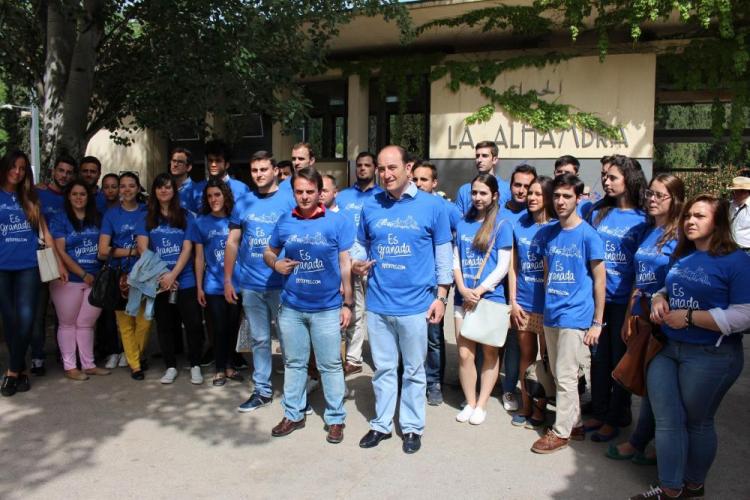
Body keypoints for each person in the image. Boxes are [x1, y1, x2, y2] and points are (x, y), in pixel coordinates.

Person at [632, 195, 750, 500]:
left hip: (711, 355)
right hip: (668, 348)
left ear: (718, 222)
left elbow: (744, 314)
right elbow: (667, 287)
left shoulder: (737, 261)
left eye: (699, 216)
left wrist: (689, 317)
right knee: (668, 421)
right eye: (687, 216)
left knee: (697, 422)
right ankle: (671, 489)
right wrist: (659, 299)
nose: (690, 222)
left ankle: (693, 485)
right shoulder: (683, 254)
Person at [352, 145, 452, 454]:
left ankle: (411, 427)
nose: (386, 174)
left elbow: (443, 253)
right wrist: (358, 262)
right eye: (381, 169)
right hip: (380, 303)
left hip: (416, 305)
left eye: (392, 167)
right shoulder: (371, 205)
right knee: (382, 369)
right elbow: (360, 243)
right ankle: (381, 424)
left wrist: (442, 297)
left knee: (413, 369)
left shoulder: (433, 207)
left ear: (408, 168)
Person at [264, 167, 354, 443]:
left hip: (327, 307)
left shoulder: (337, 222)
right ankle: (293, 413)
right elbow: (269, 251)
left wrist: (347, 303)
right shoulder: (284, 221)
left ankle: (336, 418)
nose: (304, 197)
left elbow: (344, 263)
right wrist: (275, 264)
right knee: (294, 363)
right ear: (293, 193)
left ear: (320, 192)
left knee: (329, 365)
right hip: (292, 307)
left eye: (310, 191)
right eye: (299, 192)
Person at [607, 174, 684, 465]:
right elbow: (638, 278)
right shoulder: (649, 229)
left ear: (675, 199)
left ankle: (640, 441)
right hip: (640, 315)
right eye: (649, 194)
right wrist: (629, 313)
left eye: (659, 195)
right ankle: (645, 440)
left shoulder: (680, 236)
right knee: (646, 381)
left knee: (656, 385)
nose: (651, 200)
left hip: (664, 320)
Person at [531, 173, 605, 454]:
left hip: (576, 315)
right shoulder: (549, 233)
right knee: (561, 373)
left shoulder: (588, 234)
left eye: (567, 196)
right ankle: (574, 425)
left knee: (565, 374)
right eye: (557, 196)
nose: (560, 201)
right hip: (553, 313)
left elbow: (600, 279)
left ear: (578, 198)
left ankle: (560, 432)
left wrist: (597, 322)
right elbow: (549, 273)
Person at [585, 155, 648, 442]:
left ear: (629, 179)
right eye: (604, 176)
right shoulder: (598, 212)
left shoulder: (644, 219)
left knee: (619, 362)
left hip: (624, 302)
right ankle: (598, 412)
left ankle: (616, 417)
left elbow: (642, 268)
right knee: (597, 358)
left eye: (612, 177)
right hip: (597, 300)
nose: (606, 181)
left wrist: (633, 310)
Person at [226, 151, 295, 412]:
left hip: (283, 284)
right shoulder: (243, 202)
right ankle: (262, 391)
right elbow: (232, 242)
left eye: (264, 169)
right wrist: (228, 279)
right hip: (251, 285)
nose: (259, 174)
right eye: (254, 170)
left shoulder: (289, 200)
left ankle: (294, 393)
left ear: (275, 170)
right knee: (259, 340)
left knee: (289, 341)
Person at [0, 151, 63, 396]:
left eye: (22, 168)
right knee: (10, 319)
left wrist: (59, 266)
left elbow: (46, 234)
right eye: (13, 167)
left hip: (28, 265)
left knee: (26, 319)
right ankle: (22, 370)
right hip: (2, 267)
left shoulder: (29, 198)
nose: (17, 172)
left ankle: (12, 372)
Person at [453, 174, 513, 425]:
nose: (477, 197)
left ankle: (482, 403)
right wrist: (462, 288)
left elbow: (503, 266)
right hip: (463, 297)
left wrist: (480, 291)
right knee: (465, 354)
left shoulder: (502, 224)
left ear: (494, 196)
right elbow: (456, 259)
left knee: (489, 352)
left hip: (491, 299)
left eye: (483, 193)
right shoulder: (463, 222)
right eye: (474, 193)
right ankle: (470, 401)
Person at [136, 173, 204, 385]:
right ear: (154, 191)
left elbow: (187, 249)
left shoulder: (186, 217)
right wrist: (161, 275)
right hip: (158, 280)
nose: (163, 191)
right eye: (159, 187)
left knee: (193, 324)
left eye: (168, 187)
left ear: (174, 191)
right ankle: (171, 366)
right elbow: (142, 249)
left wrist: (173, 275)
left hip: (185, 279)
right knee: (164, 325)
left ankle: (195, 365)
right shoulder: (146, 217)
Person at [49, 179, 110, 381]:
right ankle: (70, 366)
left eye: (82, 194)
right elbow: (60, 251)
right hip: (69, 279)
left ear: (88, 197)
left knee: (86, 324)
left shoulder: (98, 218)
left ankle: (89, 364)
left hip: (96, 279)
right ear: (68, 196)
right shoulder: (60, 219)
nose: (78, 198)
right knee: (67, 324)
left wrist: (94, 275)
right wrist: (83, 274)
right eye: (74, 194)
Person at [411, 161, 461, 406]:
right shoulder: (407, 205)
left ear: (434, 183)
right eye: (416, 179)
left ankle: (434, 383)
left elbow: (462, 235)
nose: (419, 184)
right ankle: (411, 380)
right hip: (412, 282)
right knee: (410, 334)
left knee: (433, 335)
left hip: (435, 284)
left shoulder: (446, 208)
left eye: (424, 180)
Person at [508, 175, 555, 428]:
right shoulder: (519, 224)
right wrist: (513, 301)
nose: (531, 197)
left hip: (548, 306)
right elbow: (513, 267)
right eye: (529, 193)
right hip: (524, 302)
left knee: (546, 361)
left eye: (537, 193)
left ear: (547, 196)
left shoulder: (557, 227)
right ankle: (526, 406)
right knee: (527, 356)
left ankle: (541, 410)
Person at [98, 171, 149, 380]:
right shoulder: (111, 214)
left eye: (131, 185)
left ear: (138, 189)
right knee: (126, 323)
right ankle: (135, 364)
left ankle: (133, 355)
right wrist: (132, 251)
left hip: (145, 273)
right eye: (123, 186)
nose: (126, 189)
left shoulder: (147, 211)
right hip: (120, 274)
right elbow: (103, 250)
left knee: (144, 321)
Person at [336, 151, 383, 377]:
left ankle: (383, 356)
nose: (362, 168)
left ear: (375, 168)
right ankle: (353, 358)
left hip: (374, 263)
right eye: (359, 165)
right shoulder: (343, 197)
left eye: (367, 165)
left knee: (377, 312)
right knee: (354, 310)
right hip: (350, 262)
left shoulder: (383, 196)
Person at [193, 179, 244, 386]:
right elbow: (199, 257)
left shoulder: (236, 219)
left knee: (233, 326)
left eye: (217, 194)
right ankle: (219, 368)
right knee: (219, 327)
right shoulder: (201, 222)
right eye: (210, 196)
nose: (214, 199)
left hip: (237, 282)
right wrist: (199, 286)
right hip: (213, 284)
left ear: (225, 196)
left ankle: (231, 365)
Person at [31, 153, 77, 376]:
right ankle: (37, 356)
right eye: (61, 171)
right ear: (53, 172)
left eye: (69, 172)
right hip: (42, 257)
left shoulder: (74, 196)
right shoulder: (37, 193)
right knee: (38, 309)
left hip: (67, 258)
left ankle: (64, 353)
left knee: (63, 311)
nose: (64, 175)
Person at [98, 172, 126, 368]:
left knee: (128, 313)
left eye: (113, 186)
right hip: (109, 267)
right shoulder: (99, 210)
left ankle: (127, 350)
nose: (110, 190)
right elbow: (102, 249)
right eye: (106, 186)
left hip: (131, 267)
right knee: (109, 313)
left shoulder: (134, 209)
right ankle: (113, 351)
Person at [454, 140, 511, 216]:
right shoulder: (464, 190)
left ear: (494, 160)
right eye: (477, 156)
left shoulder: (507, 189)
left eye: (484, 156)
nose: (479, 160)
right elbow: (458, 221)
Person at [193, 140, 251, 211]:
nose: (213, 165)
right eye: (210, 160)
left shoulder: (241, 189)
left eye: (218, 161)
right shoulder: (196, 189)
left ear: (227, 165)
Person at [169, 147, 200, 213]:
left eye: (180, 162)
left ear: (188, 167)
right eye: (173, 161)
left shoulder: (198, 191)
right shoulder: (165, 189)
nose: (175, 165)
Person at [728, 176, 750, 250]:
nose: (732, 194)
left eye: (735, 191)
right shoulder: (731, 205)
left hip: (746, 250)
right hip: (731, 247)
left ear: (744, 192)